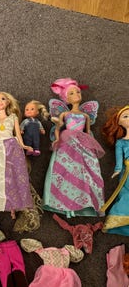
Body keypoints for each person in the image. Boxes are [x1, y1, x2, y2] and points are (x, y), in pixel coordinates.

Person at [42, 77, 104, 217]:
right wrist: (57, 139)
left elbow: (88, 132)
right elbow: (58, 128)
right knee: (64, 170)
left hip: (82, 141)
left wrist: (90, 145)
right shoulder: (65, 114)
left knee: (85, 170)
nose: (76, 95)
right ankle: (64, 202)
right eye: (72, 93)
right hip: (67, 141)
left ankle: (85, 201)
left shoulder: (85, 116)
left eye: (78, 92)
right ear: (66, 99)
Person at [0, 92, 33, 218]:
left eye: (2, 99)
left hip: (12, 147)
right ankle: (6, 204)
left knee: (15, 175)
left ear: (8, 102)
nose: (0, 102)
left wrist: (23, 146)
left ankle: (16, 204)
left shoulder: (13, 117)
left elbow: (18, 134)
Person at [100, 105, 129, 234]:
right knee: (126, 193)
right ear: (119, 122)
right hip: (127, 172)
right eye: (125, 116)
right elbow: (119, 159)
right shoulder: (121, 142)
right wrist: (117, 170)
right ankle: (121, 219)